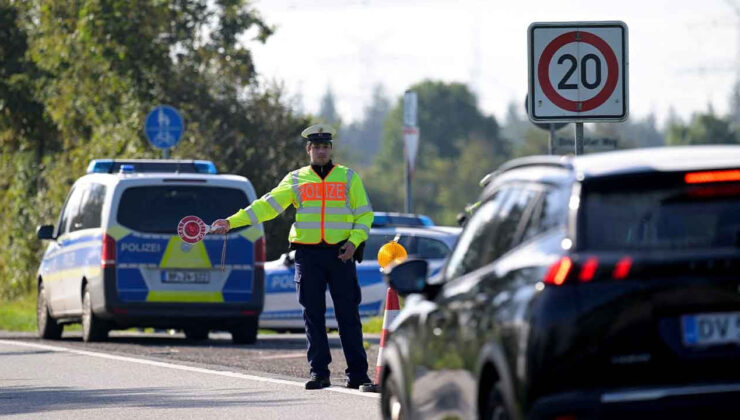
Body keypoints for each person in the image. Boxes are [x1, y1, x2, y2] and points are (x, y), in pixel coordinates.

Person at [211, 123, 374, 390]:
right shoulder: (296, 179)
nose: (321, 151)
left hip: (341, 254)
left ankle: (358, 375)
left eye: (326, 146)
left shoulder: (348, 177)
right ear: (309, 150)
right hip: (308, 254)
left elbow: (365, 215)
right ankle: (319, 373)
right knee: (313, 315)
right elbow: (267, 206)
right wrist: (231, 222)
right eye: (317, 147)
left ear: (331, 149)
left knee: (348, 316)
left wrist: (354, 243)